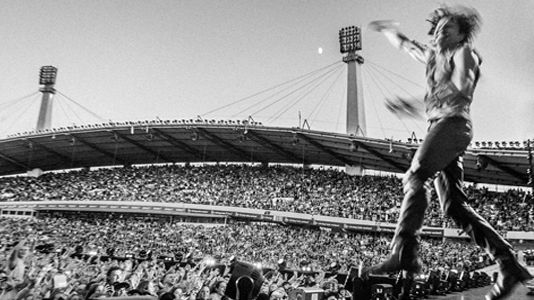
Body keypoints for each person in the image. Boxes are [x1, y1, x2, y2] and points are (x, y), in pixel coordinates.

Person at [366, 5, 532, 300]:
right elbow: (408, 46)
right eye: (439, 28)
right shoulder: (435, 56)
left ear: (461, 35)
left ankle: (405, 251)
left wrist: (417, 102)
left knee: (416, 175)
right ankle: (509, 264)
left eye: (449, 28)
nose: (441, 32)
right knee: (454, 207)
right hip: (440, 127)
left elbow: (462, 87)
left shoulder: (463, 54)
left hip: (452, 125)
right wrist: (389, 30)